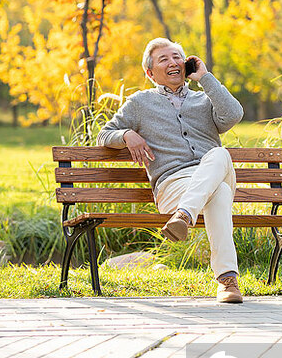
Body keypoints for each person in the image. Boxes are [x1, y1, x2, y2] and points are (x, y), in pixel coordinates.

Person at [96, 38, 244, 303]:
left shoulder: (204, 99)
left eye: (177, 57)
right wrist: (127, 134)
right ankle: (227, 281)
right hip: (173, 185)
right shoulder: (140, 103)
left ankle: (184, 217)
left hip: (211, 173)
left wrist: (206, 78)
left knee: (219, 155)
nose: (173, 62)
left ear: (186, 64)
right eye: (163, 59)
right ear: (150, 73)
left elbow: (233, 115)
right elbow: (103, 135)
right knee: (219, 192)